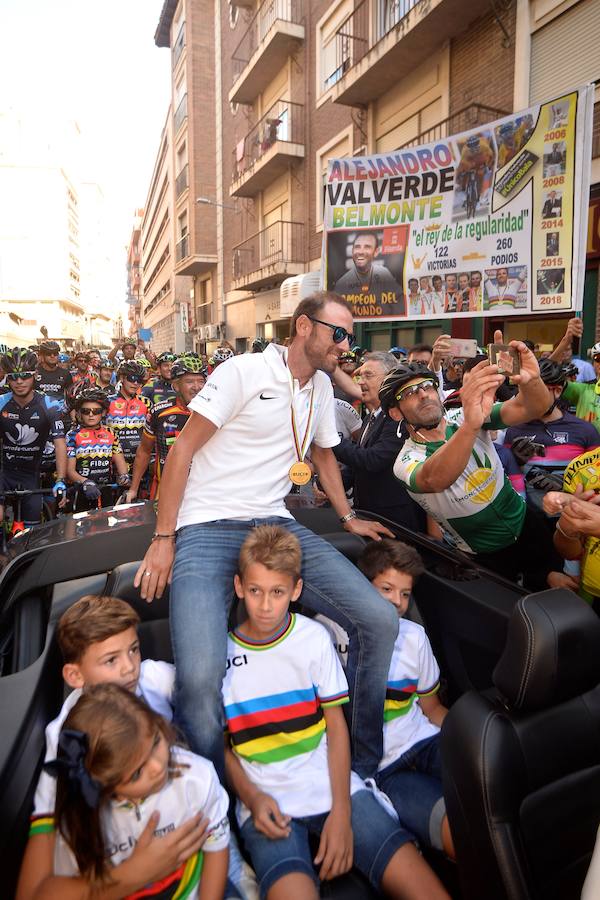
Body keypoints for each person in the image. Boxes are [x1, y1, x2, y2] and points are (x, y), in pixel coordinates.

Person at [134, 292, 399, 786]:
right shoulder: (242, 371)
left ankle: (361, 771)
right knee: (196, 679)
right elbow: (183, 450)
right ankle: (220, 797)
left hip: (274, 525)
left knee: (380, 620)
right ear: (303, 326)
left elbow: (322, 456)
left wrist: (348, 518)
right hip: (206, 525)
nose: (346, 344)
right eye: (338, 333)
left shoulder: (321, 387)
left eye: (351, 336)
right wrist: (163, 536)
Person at [223, 526, 449, 900]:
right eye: (255, 591)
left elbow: (337, 727)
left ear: (296, 591)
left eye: (277, 592)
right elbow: (222, 745)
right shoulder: (222, 654)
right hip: (265, 798)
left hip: (333, 785)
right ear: (238, 586)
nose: (265, 606)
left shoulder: (312, 638)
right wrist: (252, 797)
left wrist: (342, 811)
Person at [19, 684, 230, 898]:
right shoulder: (82, 821)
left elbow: (216, 844)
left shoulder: (196, 778)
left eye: (156, 741)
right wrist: (133, 874)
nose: (157, 767)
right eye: (137, 773)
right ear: (104, 785)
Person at [382, 343, 560, 590]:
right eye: (409, 393)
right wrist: (471, 426)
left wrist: (531, 380)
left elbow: (533, 406)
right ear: (395, 413)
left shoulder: (463, 416)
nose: (423, 394)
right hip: (484, 555)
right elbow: (436, 478)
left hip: (527, 524)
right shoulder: (405, 460)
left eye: (427, 386)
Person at [350, 540, 455, 859]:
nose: (397, 602)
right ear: (361, 586)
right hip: (385, 767)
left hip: (425, 742)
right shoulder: (330, 637)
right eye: (386, 589)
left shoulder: (414, 637)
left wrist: (472, 741)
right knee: (458, 829)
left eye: (405, 594)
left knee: (489, 789)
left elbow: (432, 708)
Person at [333, 352, 426, 532]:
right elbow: (357, 468)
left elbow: (372, 460)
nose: (360, 382)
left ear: (389, 379)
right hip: (369, 515)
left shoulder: (399, 418)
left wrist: (330, 438)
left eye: (368, 376)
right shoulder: (371, 418)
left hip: (395, 523)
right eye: (360, 376)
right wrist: (327, 486)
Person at [503, 359, 599, 509]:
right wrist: (515, 462)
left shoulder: (585, 431)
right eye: (526, 392)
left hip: (571, 519)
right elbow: (507, 479)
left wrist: (572, 498)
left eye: (539, 391)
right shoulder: (514, 430)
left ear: (558, 391)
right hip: (528, 520)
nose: (531, 399)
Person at [127, 355, 207, 502]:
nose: (197, 387)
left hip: (202, 494)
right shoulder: (159, 412)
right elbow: (144, 451)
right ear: (176, 385)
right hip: (164, 492)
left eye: (201, 381)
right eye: (189, 381)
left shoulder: (216, 412)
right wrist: (133, 489)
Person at [0, 347, 67, 525]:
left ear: (35, 375)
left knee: (31, 533)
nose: (19, 381)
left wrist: (61, 479)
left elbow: (60, 444)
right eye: (13, 376)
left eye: (25, 376)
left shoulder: (49, 404)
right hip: (3, 471)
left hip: (31, 474)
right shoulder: (1, 403)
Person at [66, 388, 131, 511]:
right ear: (79, 413)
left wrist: (124, 477)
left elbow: (120, 462)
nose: (91, 415)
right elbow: (70, 470)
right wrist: (85, 482)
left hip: (105, 489)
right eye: (86, 411)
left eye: (96, 411)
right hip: (81, 490)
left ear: (103, 412)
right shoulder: (72, 435)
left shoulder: (111, 433)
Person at [334, 232, 404, 308]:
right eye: (357, 247)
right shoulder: (341, 284)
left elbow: (400, 299)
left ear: (376, 252)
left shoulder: (383, 273)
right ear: (352, 250)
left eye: (367, 247)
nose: (361, 252)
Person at [105, 360, 150, 470]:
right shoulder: (107, 401)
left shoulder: (146, 402)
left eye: (139, 380)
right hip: (113, 459)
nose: (135, 384)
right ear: (122, 378)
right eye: (132, 378)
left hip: (139, 459)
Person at [560, 339, 600, 433]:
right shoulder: (583, 391)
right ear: (594, 364)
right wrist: (566, 340)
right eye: (598, 358)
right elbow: (548, 377)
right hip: (587, 446)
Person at [35, 340, 73, 407]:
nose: (52, 356)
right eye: (48, 353)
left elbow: (70, 397)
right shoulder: (35, 373)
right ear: (43, 355)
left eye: (55, 353)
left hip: (60, 412)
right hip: (39, 412)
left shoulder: (65, 374)